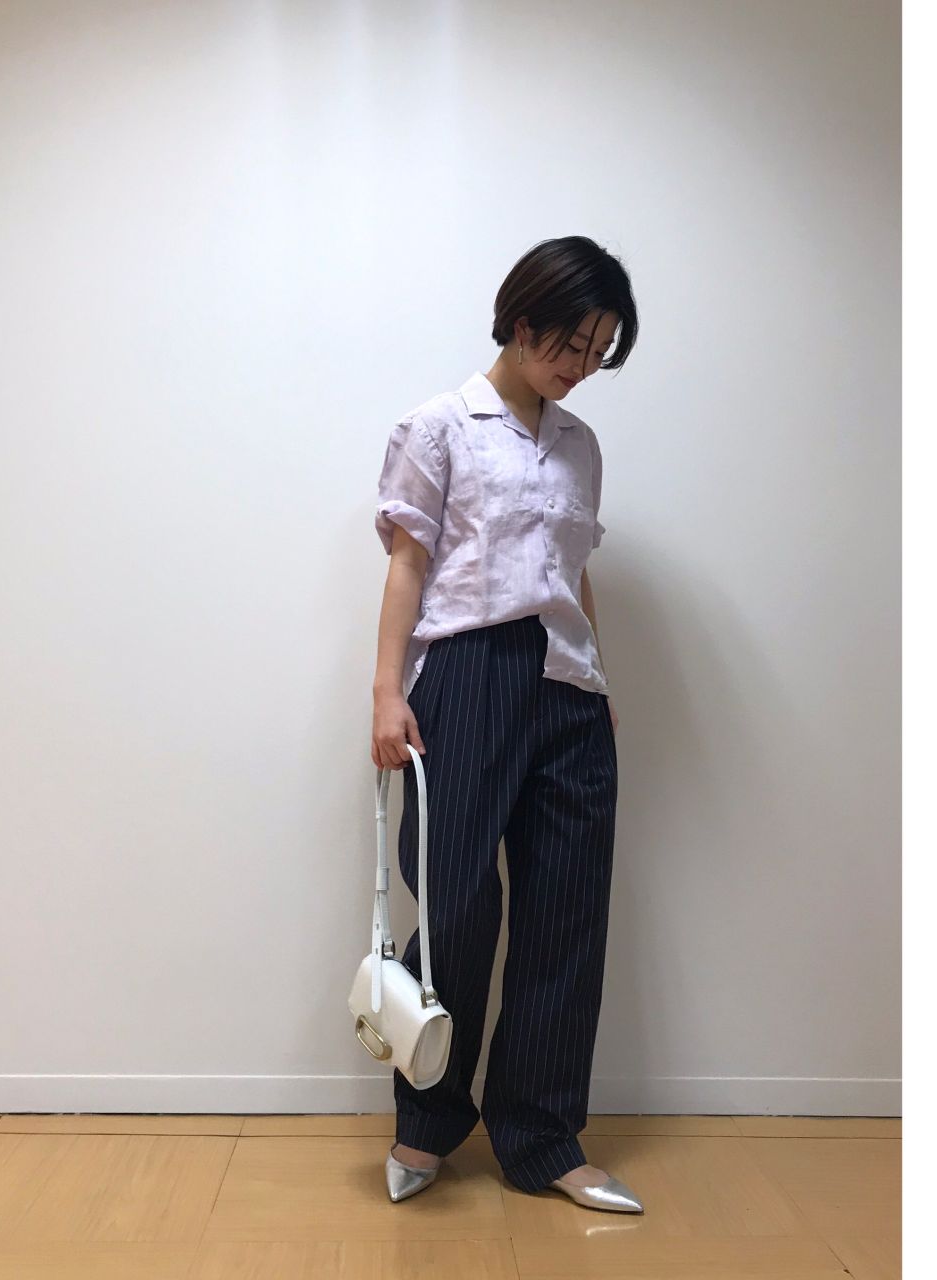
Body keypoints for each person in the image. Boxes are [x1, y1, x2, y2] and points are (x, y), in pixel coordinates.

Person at [370, 236, 645, 1212]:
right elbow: (408, 563)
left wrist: (596, 679)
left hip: (568, 689)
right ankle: (426, 1121)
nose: (581, 367)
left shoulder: (580, 446)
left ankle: (542, 1137)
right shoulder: (438, 426)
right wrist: (387, 691)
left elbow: (572, 572)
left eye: (599, 352)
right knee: (454, 911)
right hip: (466, 676)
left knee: (565, 914)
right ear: (522, 321)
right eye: (571, 343)